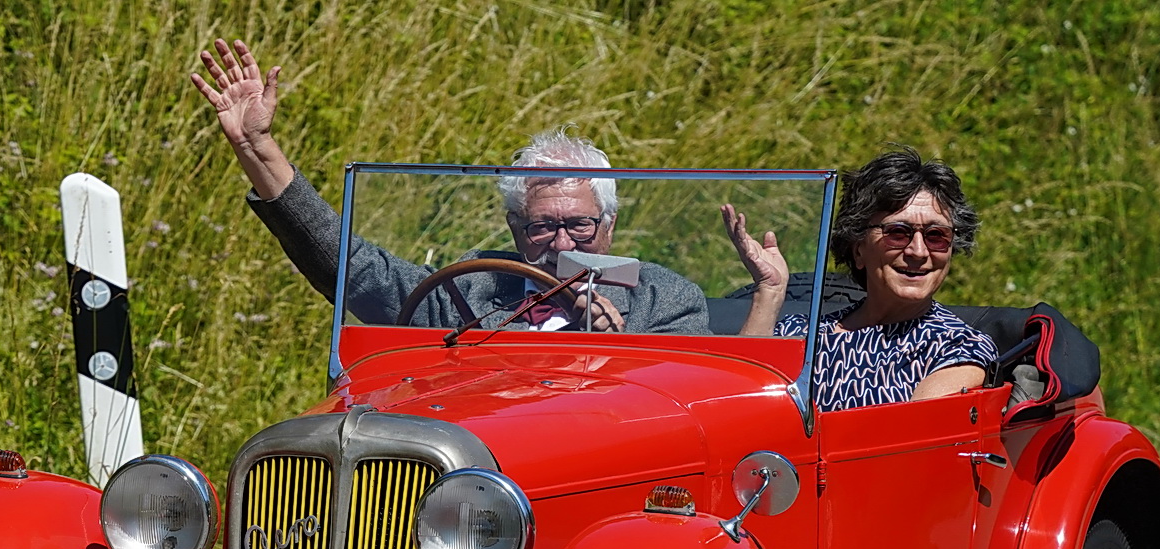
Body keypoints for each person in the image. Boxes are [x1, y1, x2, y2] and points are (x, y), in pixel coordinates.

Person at [189, 39, 711, 336]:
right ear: (515, 228)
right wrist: (257, 147)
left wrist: (611, 347)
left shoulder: (665, 302)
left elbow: (682, 414)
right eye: (543, 227)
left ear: (609, 224)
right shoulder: (469, 290)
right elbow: (352, 267)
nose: (562, 244)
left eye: (579, 224)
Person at [722, 148, 997, 410]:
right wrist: (769, 291)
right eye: (898, 233)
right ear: (858, 249)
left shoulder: (958, 347)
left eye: (936, 235)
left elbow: (907, 438)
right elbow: (736, 404)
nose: (918, 251)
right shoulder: (802, 335)